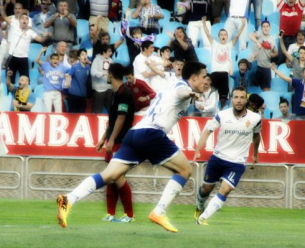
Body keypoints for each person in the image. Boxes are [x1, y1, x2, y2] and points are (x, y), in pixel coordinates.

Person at [56, 61, 207, 233]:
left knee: (110, 175)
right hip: (152, 133)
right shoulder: (182, 87)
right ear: (193, 78)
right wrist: (190, 93)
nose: (206, 81)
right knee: (185, 170)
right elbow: (182, 92)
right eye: (203, 77)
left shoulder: (170, 87)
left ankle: (69, 199)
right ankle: (159, 211)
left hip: (134, 134)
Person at [193, 86, 261, 225]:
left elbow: (256, 135)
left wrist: (255, 154)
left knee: (226, 189)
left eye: (242, 97)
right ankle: (200, 208)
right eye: (236, 97)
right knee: (206, 189)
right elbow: (207, 131)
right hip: (218, 158)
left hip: (237, 162)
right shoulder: (222, 115)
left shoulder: (255, 118)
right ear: (231, 99)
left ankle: (203, 218)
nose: (239, 100)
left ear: (246, 100)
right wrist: (198, 150)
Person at [96, 63, 135, 223]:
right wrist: (102, 138)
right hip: (114, 140)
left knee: (117, 177)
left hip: (122, 141)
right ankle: (111, 213)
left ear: (111, 74)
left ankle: (130, 215)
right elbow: (112, 121)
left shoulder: (124, 93)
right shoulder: (114, 93)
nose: (106, 75)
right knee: (111, 177)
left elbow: (121, 118)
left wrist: (111, 140)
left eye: (107, 73)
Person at [202, 15, 247, 110]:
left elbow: (238, 35)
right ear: (218, 37)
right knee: (212, 94)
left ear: (227, 37)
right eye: (221, 34)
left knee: (223, 96)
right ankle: (210, 110)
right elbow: (207, 34)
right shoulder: (215, 44)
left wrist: (243, 24)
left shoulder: (229, 45)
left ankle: (222, 110)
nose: (223, 36)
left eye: (225, 34)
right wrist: (203, 23)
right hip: (214, 73)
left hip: (224, 74)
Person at [0, 12, 48, 83]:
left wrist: (48, 35)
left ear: (28, 21)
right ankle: (10, 94)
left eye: (26, 19)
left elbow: (41, 39)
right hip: (12, 58)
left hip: (23, 59)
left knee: (26, 81)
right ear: (19, 21)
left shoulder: (30, 32)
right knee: (10, 80)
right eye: (22, 18)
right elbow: (4, 16)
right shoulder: (14, 26)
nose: (24, 20)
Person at [36, 48, 70, 113]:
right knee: (47, 112)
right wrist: (41, 52)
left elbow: (71, 72)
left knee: (59, 112)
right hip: (48, 92)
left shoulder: (62, 67)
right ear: (50, 60)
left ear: (59, 60)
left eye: (57, 59)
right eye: (53, 59)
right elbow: (37, 60)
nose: (55, 60)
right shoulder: (46, 65)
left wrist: (67, 78)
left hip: (58, 93)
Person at [249, 18, 278, 92]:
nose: (265, 28)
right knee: (252, 88)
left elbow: (276, 52)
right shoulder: (259, 35)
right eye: (264, 26)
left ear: (270, 28)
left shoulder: (272, 39)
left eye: (267, 26)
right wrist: (257, 42)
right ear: (261, 28)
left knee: (266, 89)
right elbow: (251, 36)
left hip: (266, 67)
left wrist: (271, 55)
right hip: (256, 66)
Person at [277, 0, 305, 65]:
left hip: (294, 38)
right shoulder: (282, 6)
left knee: (293, 60)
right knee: (280, 59)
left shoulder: (299, 7)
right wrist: (280, 37)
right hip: (282, 37)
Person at [91, 44, 113, 114]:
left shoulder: (111, 60)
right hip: (99, 89)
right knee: (97, 111)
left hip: (109, 88)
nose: (111, 53)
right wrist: (103, 73)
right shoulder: (96, 60)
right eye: (109, 51)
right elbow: (93, 72)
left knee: (111, 110)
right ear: (104, 52)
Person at [66, 49, 90, 113]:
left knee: (82, 114)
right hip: (73, 95)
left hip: (83, 96)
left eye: (85, 54)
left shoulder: (88, 67)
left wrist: (90, 63)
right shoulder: (75, 67)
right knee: (72, 115)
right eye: (82, 54)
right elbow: (68, 75)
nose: (84, 56)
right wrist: (68, 83)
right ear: (79, 57)